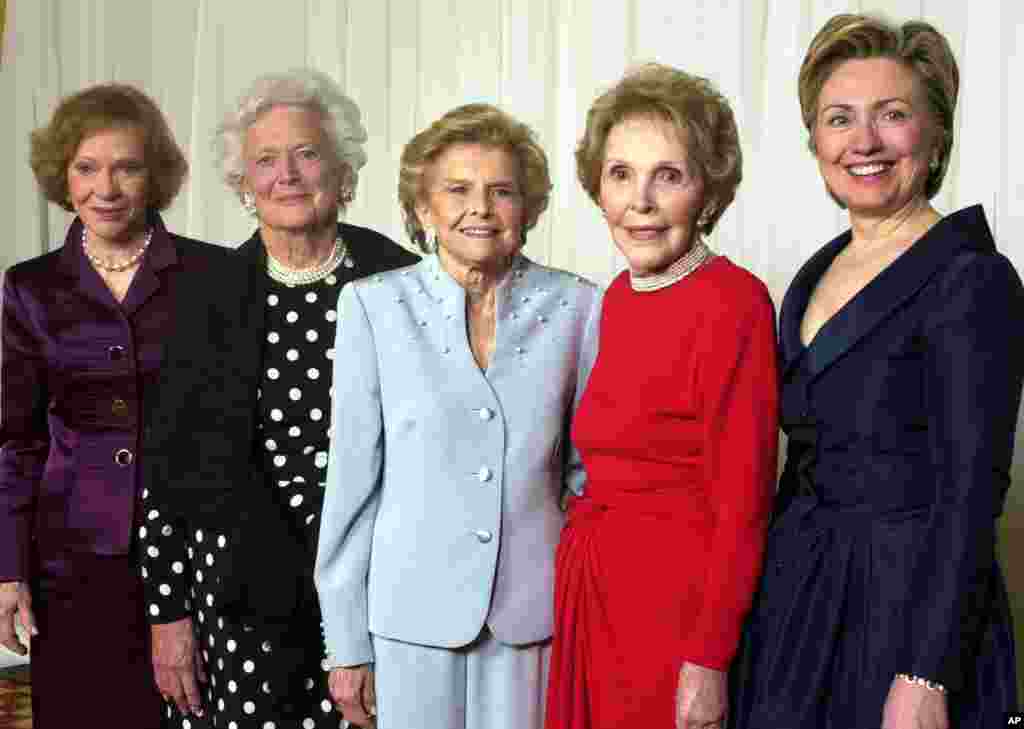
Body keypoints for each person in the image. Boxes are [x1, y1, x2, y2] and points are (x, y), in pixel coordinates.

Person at [731, 14, 1022, 729]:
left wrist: (927, 671)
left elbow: (970, 494)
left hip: (906, 611)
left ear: (935, 135)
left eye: (892, 115)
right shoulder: (814, 273)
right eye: (839, 119)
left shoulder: (972, 278)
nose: (863, 142)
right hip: (800, 597)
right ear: (815, 142)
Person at [138, 69, 418, 728]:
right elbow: (165, 472)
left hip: (374, 591)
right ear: (243, 182)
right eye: (265, 159)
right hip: (234, 591)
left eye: (308, 153)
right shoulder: (204, 294)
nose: (287, 174)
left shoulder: (400, 279)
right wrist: (167, 613)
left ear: (343, 169)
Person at [314, 103, 602, 729]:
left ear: (527, 209)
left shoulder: (579, 307)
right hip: (408, 616)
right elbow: (352, 488)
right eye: (458, 190)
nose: (481, 207)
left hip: (532, 616)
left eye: (502, 191)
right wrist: (346, 642)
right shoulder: (373, 307)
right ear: (423, 209)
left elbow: (588, 477)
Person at [543, 64, 780, 729]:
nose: (639, 201)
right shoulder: (614, 299)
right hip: (596, 597)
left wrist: (707, 659)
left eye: (668, 176)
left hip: (674, 615)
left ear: (707, 192)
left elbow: (744, 505)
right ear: (598, 187)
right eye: (621, 174)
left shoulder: (735, 303)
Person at [0, 82, 222, 729]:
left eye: (126, 166)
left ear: (154, 175)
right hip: (70, 560)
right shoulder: (31, 285)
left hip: (189, 554)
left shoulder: (210, 276)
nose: (107, 187)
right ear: (62, 177)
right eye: (87, 168)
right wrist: (8, 568)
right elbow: (15, 438)